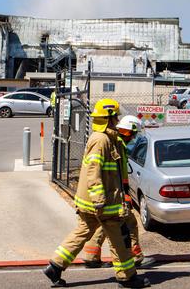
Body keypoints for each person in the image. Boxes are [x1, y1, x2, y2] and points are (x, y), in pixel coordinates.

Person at [43, 99, 150, 288]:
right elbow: (93, 171)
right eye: (115, 117)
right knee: (120, 238)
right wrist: (99, 200)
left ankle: (55, 266)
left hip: (91, 202)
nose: (117, 120)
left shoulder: (107, 138)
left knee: (82, 231)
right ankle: (127, 278)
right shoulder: (101, 140)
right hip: (103, 202)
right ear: (108, 118)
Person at [83, 115, 155, 269]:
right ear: (130, 132)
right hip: (113, 191)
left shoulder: (115, 141)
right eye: (133, 134)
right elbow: (114, 172)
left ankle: (91, 255)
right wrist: (125, 194)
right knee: (129, 223)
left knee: (105, 225)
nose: (134, 138)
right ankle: (135, 257)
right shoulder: (118, 143)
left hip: (110, 191)